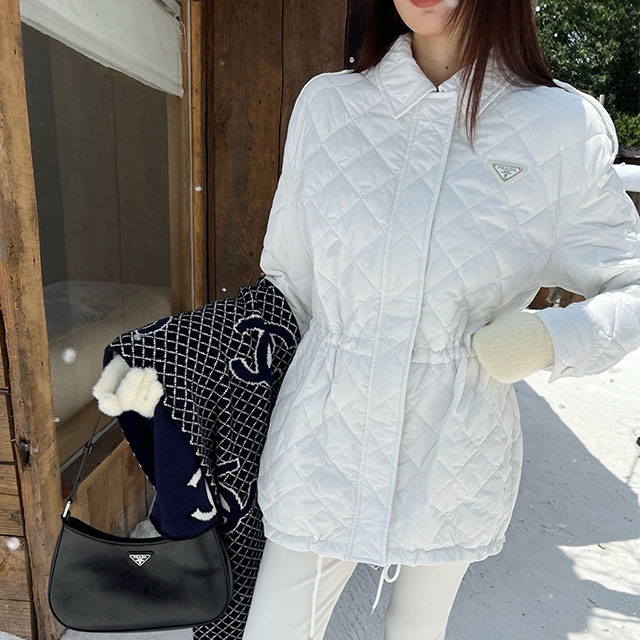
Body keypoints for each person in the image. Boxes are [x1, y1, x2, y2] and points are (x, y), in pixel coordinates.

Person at [242, 0, 640, 639]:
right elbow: (291, 277)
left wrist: (548, 339)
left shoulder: (560, 126)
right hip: (325, 438)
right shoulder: (328, 106)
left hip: (456, 448)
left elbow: (633, 282)